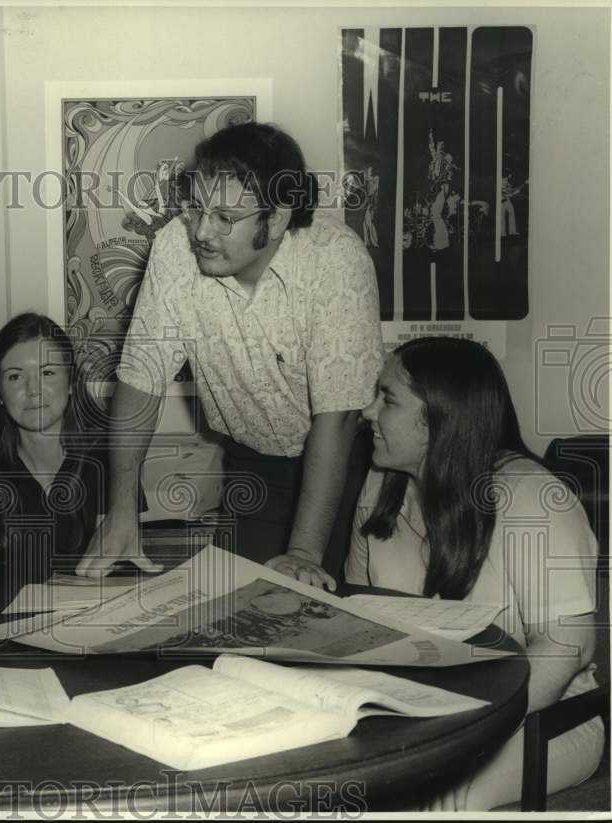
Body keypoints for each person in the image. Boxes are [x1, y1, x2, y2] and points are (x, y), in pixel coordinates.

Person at [76, 122, 384, 587]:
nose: (202, 230)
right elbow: (141, 380)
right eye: (196, 208)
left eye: (224, 217)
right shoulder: (174, 248)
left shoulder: (336, 261)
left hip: (341, 466)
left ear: (276, 218)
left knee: (325, 609)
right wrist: (122, 513)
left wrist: (303, 552)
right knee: (233, 608)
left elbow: (337, 418)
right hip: (252, 462)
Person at [345, 337, 604, 810]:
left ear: (440, 419)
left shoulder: (534, 500)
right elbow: (364, 622)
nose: (367, 412)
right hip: (421, 710)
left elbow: (567, 648)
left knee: (438, 796)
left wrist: (461, 725)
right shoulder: (380, 483)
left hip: (542, 719)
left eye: (387, 398)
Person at [0, 313, 112, 589]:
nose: (33, 390)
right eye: (15, 376)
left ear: (71, 382)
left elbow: (117, 579)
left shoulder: (109, 460)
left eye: (47, 373)